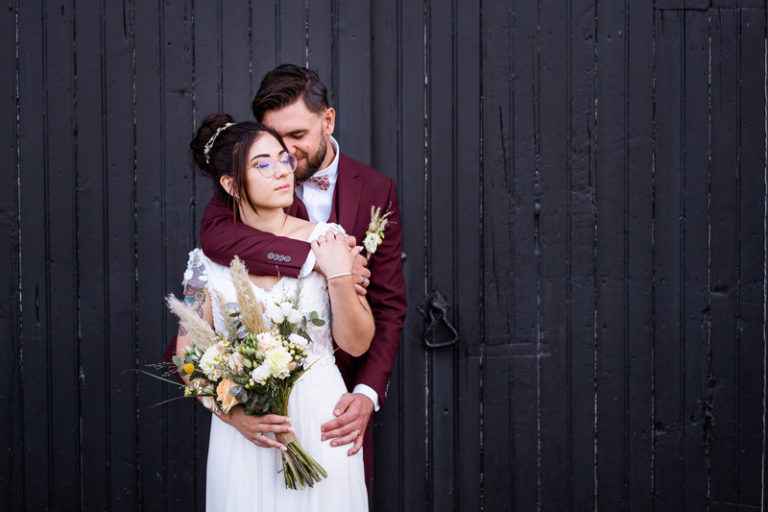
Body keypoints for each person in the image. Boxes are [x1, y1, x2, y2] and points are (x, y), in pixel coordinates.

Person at [197, 64, 408, 485]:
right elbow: (215, 239)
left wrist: (366, 393)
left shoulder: (375, 189)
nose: (286, 157)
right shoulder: (250, 180)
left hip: (337, 397)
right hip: (258, 398)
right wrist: (322, 257)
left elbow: (388, 303)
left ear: (328, 120)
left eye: (297, 137)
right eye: (275, 140)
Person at [177, 114, 372, 511]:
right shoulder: (204, 264)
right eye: (262, 164)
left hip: (322, 425)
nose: (283, 171)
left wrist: (337, 272)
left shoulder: (328, 239)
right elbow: (186, 357)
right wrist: (235, 416)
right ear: (231, 184)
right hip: (246, 435)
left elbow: (356, 342)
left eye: (283, 159)